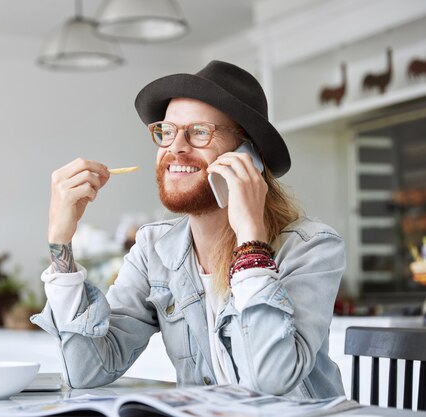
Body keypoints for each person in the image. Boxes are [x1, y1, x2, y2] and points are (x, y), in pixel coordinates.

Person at [31, 61, 345, 398]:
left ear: (249, 155)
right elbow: (86, 370)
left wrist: (251, 240)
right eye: (166, 131)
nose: (175, 147)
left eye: (198, 131)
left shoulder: (312, 247)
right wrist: (60, 242)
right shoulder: (154, 250)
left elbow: (269, 382)